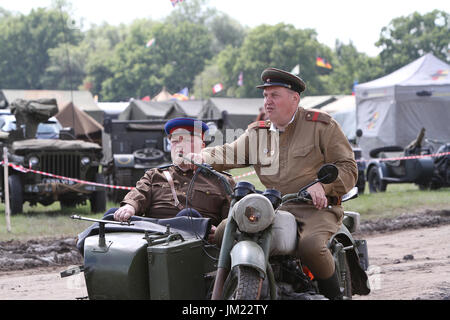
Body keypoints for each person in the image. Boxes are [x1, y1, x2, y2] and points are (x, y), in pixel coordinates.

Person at [182, 67, 358, 299]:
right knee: (224, 231)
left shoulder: (321, 126)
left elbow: (348, 168)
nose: (268, 101)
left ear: (294, 98)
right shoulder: (258, 133)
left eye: (274, 95)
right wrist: (202, 157)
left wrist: (322, 186)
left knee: (312, 247)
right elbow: (229, 152)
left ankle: (334, 296)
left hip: (316, 208)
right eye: (265, 96)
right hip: (274, 206)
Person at [113, 117, 235, 242]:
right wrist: (129, 207)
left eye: (189, 141)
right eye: (175, 141)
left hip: (197, 243)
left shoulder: (221, 180)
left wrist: (221, 231)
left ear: (202, 146)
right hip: (153, 236)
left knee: (189, 216)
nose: (181, 146)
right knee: (112, 214)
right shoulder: (154, 175)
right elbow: (139, 194)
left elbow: (233, 219)